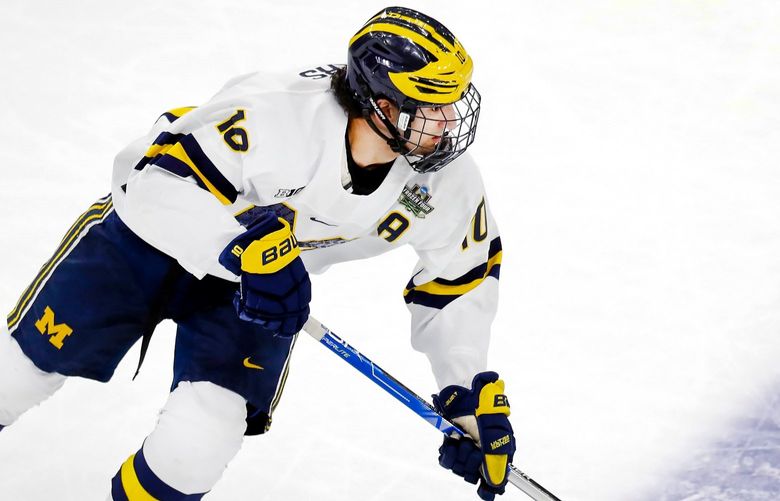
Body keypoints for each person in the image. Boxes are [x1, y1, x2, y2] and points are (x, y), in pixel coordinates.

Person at [0, 6, 515, 500]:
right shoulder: (276, 111)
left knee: (201, 438)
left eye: (454, 100)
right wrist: (239, 247)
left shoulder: (446, 184)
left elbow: (460, 276)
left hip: (262, 287)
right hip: (146, 244)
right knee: (17, 374)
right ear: (382, 106)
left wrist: (463, 390)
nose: (450, 121)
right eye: (434, 104)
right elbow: (151, 178)